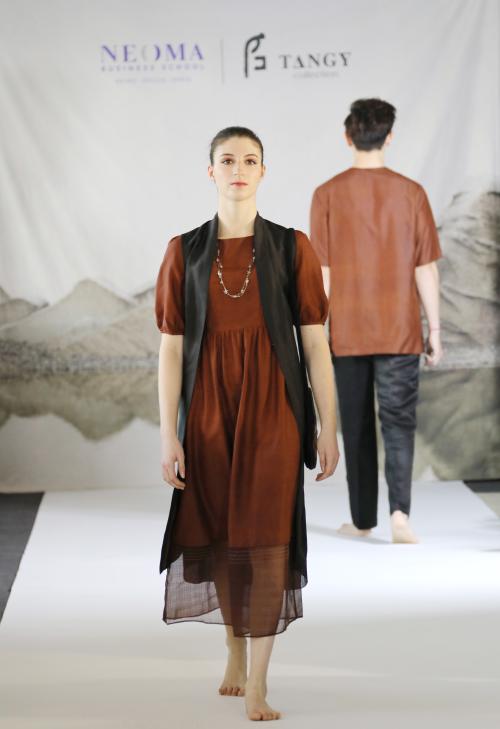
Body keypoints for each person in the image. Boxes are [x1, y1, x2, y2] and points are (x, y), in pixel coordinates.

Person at [155, 126, 339, 721]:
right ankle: (234, 650)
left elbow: (315, 344)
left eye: (250, 160)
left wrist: (328, 425)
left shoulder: (292, 247)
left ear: (264, 171)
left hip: (274, 409)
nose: (239, 168)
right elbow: (170, 348)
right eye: (228, 159)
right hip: (208, 409)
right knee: (221, 534)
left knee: (265, 537)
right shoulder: (184, 251)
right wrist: (168, 431)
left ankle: (258, 680)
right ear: (210, 171)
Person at [309, 99, 443, 545]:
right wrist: (435, 330)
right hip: (400, 331)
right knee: (399, 424)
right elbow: (425, 268)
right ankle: (400, 516)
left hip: (347, 332)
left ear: (347, 137)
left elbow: (323, 272)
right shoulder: (411, 192)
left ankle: (363, 520)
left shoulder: (326, 194)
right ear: (389, 137)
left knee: (357, 427)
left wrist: (317, 330)